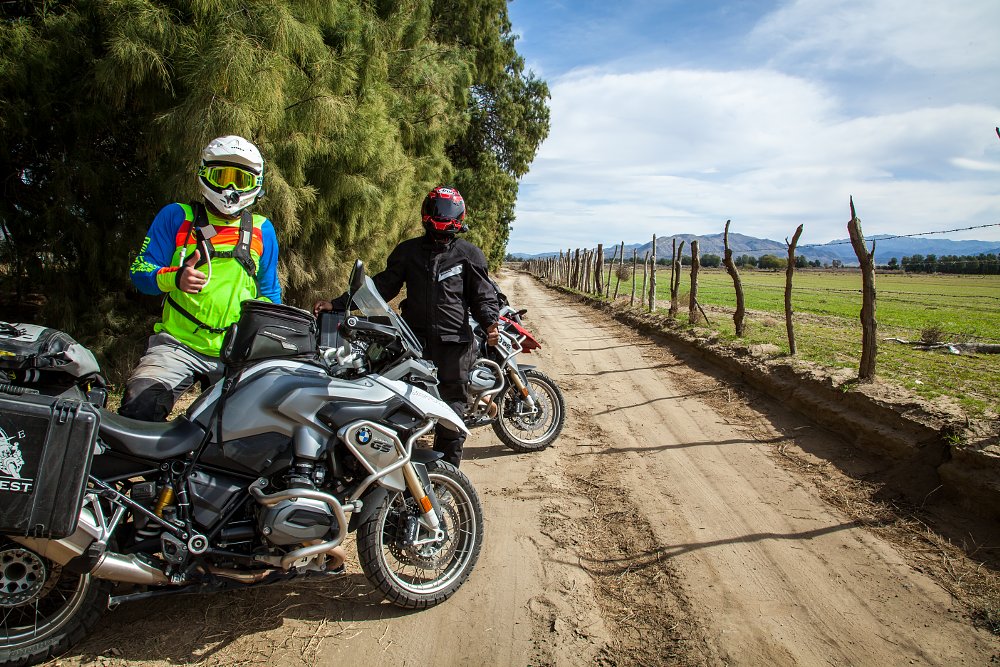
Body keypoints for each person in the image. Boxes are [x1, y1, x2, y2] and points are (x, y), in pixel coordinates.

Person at [314, 185, 499, 467]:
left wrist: (490, 323)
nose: (442, 221)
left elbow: (483, 296)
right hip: (413, 344)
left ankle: (447, 476)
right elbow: (382, 286)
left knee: (452, 412)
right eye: (438, 214)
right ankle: (403, 473)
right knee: (405, 405)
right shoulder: (408, 251)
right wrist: (339, 304)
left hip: (454, 347)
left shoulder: (469, 255)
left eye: (447, 215)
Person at [120, 135, 281, 421]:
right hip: (176, 346)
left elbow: (269, 293)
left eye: (240, 180)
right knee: (139, 406)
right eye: (222, 176)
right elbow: (140, 272)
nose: (230, 188)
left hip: (235, 353)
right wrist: (175, 278)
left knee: (240, 429)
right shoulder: (176, 216)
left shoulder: (262, 229)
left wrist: (260, 341)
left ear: (255, 184)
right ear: (205, 175)